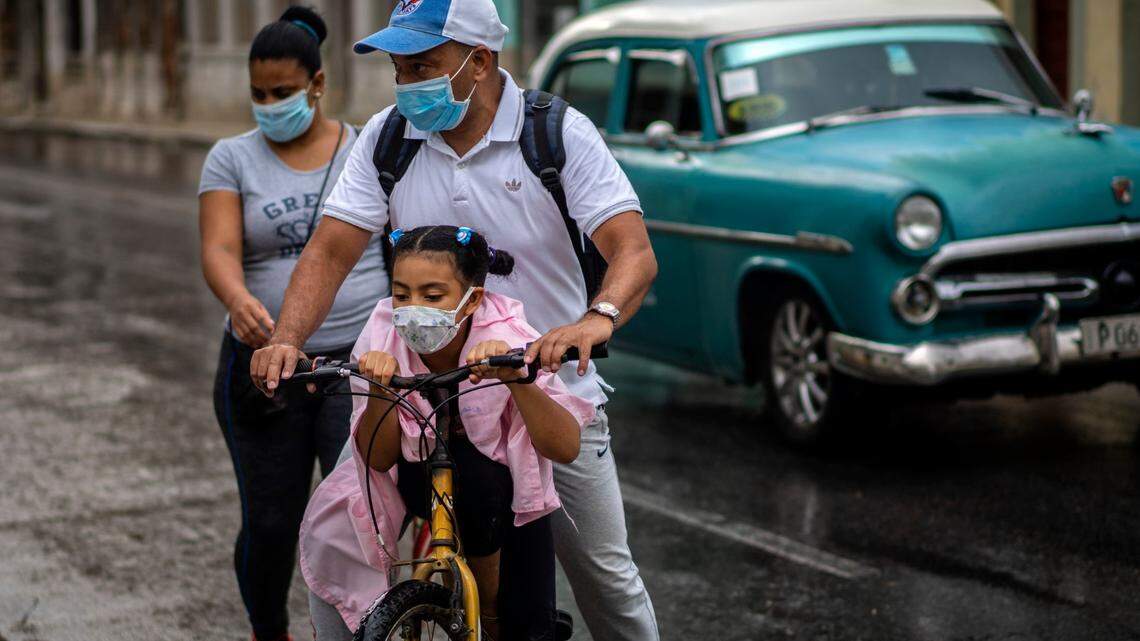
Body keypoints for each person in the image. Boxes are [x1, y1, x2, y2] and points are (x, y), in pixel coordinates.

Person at [251, 1, 661, 639]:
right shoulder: (389, 138)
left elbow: (631, 249)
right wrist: (285, 339)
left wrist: (595, 319)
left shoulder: (556, 134)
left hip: (542, 392)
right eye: (400, 67)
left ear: (482, 60)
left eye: (424, 65)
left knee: (604, 577)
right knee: (339, 547)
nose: (408, 81)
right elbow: (331, 249)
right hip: (419, 394)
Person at [300, 225, 596, 641]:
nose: (411, 307)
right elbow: (377, 459)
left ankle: (492, 607)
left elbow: (564, 447)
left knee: (530, 619)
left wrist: (516, 378)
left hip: (503, 498)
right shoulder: (382, 333)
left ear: (472, 299)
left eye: (432, 296)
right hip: (414, 477)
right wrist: (382, 389)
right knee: (337, 539)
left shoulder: (510, 336)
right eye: (401, 294)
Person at [197, 6, 386, 640]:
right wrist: (236, 298)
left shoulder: (364, 150)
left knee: (356, 517)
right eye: (259, 94)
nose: (270, 104)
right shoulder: (231, 158)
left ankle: (360, 628)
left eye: (282, 91)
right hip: (263, 371)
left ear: (317, 85)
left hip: (354, 367)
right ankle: (267, 630)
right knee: (271, 521)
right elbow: (220, 248)